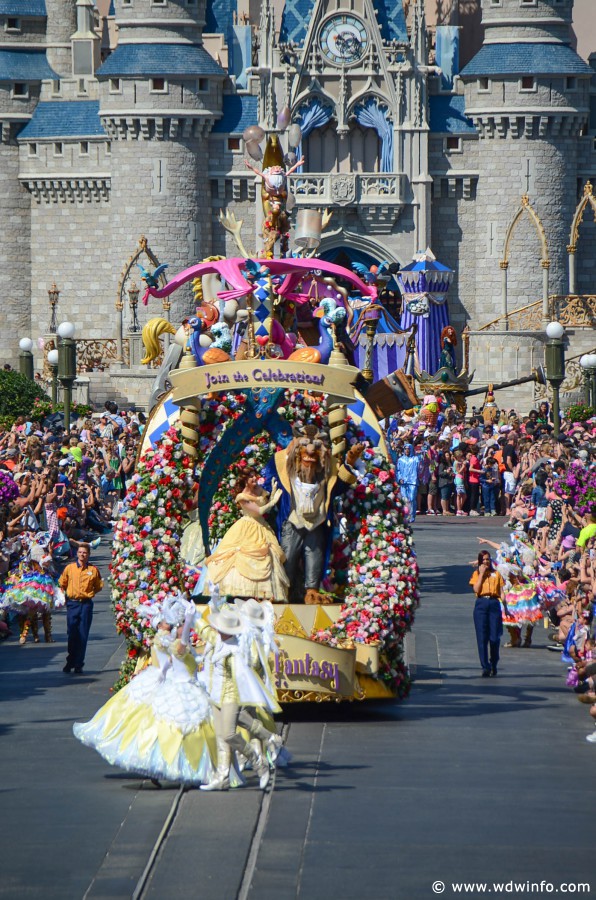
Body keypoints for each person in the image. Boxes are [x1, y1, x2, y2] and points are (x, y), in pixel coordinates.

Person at [73, 595, 216, 786]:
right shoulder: (168, 641)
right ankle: (180, 766)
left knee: (172, 726)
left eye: (168, 621)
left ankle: (181, 766)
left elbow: (174, 659)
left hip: (175, 680)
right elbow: (177, 650)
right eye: (166, 621)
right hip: (173, 683)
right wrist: (189, 621)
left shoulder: (168, 640)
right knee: (170, 725)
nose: (165, 623)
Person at [205, 468, 289, 601]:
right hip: (248, 527)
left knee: (268, 555)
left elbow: (265, 502)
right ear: (245, 481)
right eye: (251, 477)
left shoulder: (258, 490)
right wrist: (273, 502)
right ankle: (244, 595)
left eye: (254, 476)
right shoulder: (242, 497)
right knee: (241, 556)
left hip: (262, 527)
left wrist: (272, 493)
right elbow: (259, 511)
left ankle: (263, 596)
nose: (254, 479)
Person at [59, 544, 103, 674]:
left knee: (83, 635)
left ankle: (79, 663)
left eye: (85, 552)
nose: (82, 554)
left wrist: (90, 593)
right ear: (77, 553)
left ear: (88, 554)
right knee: (72, 634)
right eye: (80, 552)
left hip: (86, 604)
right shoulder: (69, 568)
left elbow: (99, 585)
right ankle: (70, 660)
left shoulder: (93, 570)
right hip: (72, 604)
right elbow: (62, 583)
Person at [469, 550, 507, 677]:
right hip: (481, 604)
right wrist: (481, 574)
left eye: (488, 559)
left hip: (494, 604)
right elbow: (476, 589)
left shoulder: (496, 574)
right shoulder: (476, 574)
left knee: (494, 637)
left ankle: (494, 662)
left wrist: (506, 607)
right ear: (480, 561)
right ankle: (485, 666)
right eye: (484, 559)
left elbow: (501, 592)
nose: (486, 561)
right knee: (482, 637)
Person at [396, 443, 420, 523]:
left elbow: (420, 468)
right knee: (405, 499)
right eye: (405, 448)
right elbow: (398, 471)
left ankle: (412, 515)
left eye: (408, 448)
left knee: (412, 498)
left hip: (413, 481)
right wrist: (399, 479)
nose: (407, 450)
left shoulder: (416, 459)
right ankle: (405, 515)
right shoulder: (400, 459)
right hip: (403, 482)